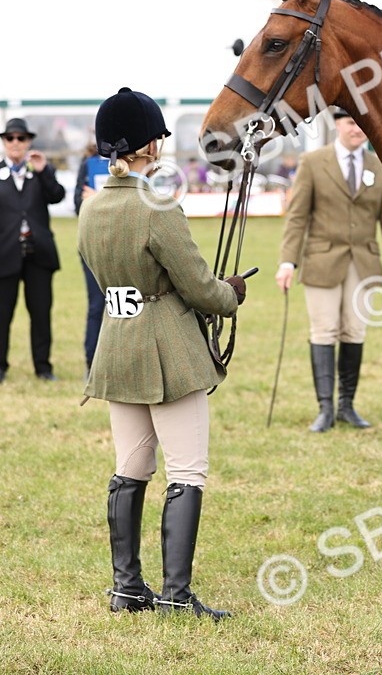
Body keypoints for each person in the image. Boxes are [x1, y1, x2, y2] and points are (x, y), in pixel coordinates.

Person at [80, 87, 245, 620]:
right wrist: (231, 294)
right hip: (166, 350)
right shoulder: (158, 206)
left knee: (130, 467)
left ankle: (126, 587)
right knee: (187, 471)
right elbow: (199, 288)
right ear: (148, 146)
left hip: (116, 343)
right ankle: (176, 594)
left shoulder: (91, 207)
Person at [276, 107, 382, 433]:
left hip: (363, 264)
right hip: (322, 260)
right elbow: (297, 217)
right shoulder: (313, 162)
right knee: (324, 331)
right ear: (337, 125)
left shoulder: (379, 165)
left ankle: (347, 405)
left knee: (354, 332)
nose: (357, 129)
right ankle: (325, 409)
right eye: (350, 123)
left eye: (361, 123)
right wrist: (287, 262)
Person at [0, 118, 67, 383]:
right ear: (3, 142)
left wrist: (44, 170)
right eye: (10, 138)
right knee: (0, 313)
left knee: (41, 313)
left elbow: (57, 196)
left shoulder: (40, 171)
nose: (15, 143)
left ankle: (43, 367)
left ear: (29, 142)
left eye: (21, 138)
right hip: (3, 252)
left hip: (38, 253)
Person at [74, 140, 105, 376]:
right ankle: (92, 362)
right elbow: (78, 203)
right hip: (94, 244)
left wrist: (97, 198)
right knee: (97, 305)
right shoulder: (88, 165)